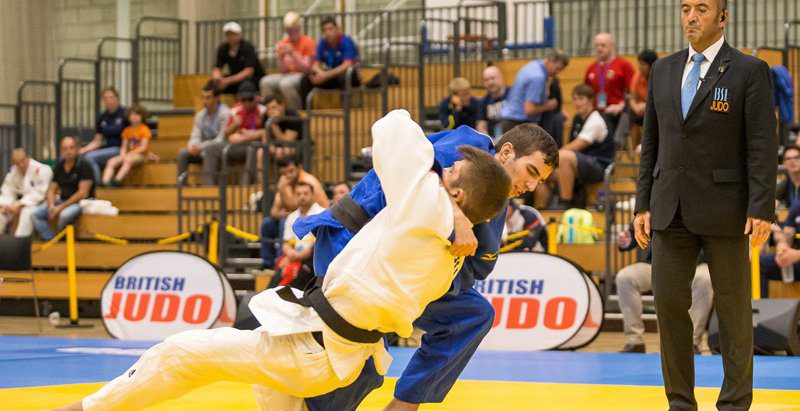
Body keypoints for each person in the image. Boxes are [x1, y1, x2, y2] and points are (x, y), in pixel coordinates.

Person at [52, 110, 511, 411]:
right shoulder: (451, 255)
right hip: (327, 346)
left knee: (179, 354)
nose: (439, 168)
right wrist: (458, 212)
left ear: (456, 194)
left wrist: (448, 206)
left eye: (448, 171)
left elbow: (393, 125)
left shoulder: (428, 207)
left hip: (313, 351)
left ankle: (85, 409)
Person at [296, 123, 558, 411]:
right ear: (506, 152)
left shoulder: (496, 202)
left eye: (540, 182)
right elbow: (418, 166)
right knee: (363, 363)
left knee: (473, 314)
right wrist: (456, 215)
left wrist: (439, 273)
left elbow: (478, 267)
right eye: (532, 172)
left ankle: (406, 403)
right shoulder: (474, 145)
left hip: (401, 270)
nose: (531, 186)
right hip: (351, 243)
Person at [634, 0, 777, 409]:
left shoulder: (749, 71)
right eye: (684, 9)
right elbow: (651, 146)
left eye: (701, 8)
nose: (691, 17)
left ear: (722, 17)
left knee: (733, 314)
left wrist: (762, 207)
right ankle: (679, 402)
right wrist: (642, 203)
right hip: (668, 209)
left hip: (728, 209)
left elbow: (762, 146)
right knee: (669, 308)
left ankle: (734, 404)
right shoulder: (662, 69)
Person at [615, 225, 713, 353]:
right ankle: (635, 341)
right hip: (660, 262)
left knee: (704, 279)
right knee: (625, 277)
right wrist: (627, 238)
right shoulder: (657, 204)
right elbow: (638, 229)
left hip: (697, 263)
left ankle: (692, 342)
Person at [551, 84, 614, 209]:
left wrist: (551, 156)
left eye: (580, 98)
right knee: (542, 171)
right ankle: (547, 205)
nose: (576, 103)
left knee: (563, 157)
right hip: (583, 163)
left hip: (600, 166)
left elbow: (576, 146)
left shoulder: (596, 120)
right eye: (574, 99)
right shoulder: (577, 119)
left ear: (590, 100)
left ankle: (565, 202)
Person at [260, 154, 328, 269]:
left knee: (284, 220)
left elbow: (309, 205)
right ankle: (268, 263)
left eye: (291, 171)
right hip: (294, 219)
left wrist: (289, 208)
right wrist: (282, 191)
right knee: (267, 223)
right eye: (285, 172)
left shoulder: (308, 182)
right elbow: (274, 212)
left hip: (312, 222)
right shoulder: (285, 182)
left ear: (299, 168)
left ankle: (282, 258)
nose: (288, 175)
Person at [31, 137, 94, 240]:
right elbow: (51, 189)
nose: (68, 151)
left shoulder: (85, 165)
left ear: (77, 149)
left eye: (71, 148)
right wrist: (51, 205)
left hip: (81, 202)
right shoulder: (60, 166)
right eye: (65, 148)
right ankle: (52, 241)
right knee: (35, 215)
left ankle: (63, 243)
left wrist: (60, 208)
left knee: (64, 215)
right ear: (61, 151)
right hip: (62, 200)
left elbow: (83, 193)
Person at [203, 81, 266, 183]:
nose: (247, 103)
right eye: (244, 100)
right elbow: (226, 133)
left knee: (253, 148)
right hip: (237, 145)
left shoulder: (263, 110)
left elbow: (265, 132)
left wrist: (246, 137)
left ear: (256, 96)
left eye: (250, 99)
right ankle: (208, 188)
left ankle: (245, 188)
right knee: (211, 148)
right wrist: (234, 126)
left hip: (253, 144)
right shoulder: (235, 110)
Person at [271, 182, 326, 289]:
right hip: (294, 256)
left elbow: (320, 242)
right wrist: (291, 254)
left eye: (306, 193)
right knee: (277, 277)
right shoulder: (291, 217)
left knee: (299, 280)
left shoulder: (322, 213)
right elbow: (286, 243)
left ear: (313, 195)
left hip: (314, 257)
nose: (302, 197)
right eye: (299, 194)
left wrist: (300, 256)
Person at [499, 50, 570, 133]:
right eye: (557, 68)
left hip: (511, 120)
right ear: (550, 60)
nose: (558, 72)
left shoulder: (533, 66)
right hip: (517, 123)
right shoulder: (538, 77)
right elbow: (530, 109)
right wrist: (549, 105)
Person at [299, 16, 361, 107]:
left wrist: (325, 75)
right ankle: (306, 111)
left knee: (344, 76)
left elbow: (347, 64)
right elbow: (315, 64)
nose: (328, 33)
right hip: (331, 76)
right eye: (324, 30)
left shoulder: (346, 41)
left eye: (330, 29)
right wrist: (319, 73)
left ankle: (346, 110)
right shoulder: (322, 43)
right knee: (306, 78)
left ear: (337, 29)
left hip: (349, 75)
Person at [260, 12, 316, 110]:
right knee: (265, 82)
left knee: (285, 84)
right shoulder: (282, 43)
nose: (291, 32)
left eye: (293, 29)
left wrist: (293, 53)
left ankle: (298, 112)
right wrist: (280, 58)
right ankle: (271, 112)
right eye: (288, 30)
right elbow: (283, 70)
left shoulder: (308, 42)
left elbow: (306, 68)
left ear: (298, 28)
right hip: (288, 74)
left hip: (302, 75)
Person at [583, 32, 635, 138]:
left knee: (608, 119)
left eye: (603, 45)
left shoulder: (623, 65)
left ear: (612, 46)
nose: (599, 49)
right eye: (597, 45)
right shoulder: (591, 68)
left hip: (616, 111)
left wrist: (621, 105)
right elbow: (586, 92)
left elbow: (633, 91)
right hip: (596, 112)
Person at [177, 81, 230, 185]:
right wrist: (192, 146)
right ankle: (181, 188)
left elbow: (221, 139)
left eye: (208, 98)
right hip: (203, 148)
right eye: (202, 97)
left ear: (217, 98)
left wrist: (200, 147)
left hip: (222, 148)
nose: (204, 101)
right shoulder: (200, 116)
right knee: (183, 153)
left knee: (211, 150)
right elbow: (195, 135)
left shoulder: (225, 113)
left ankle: (208, 189)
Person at [0, 148, 52, 237]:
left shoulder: (42, 169)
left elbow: (39, 193)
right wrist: (5, 205)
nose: (21, 165)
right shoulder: (13, 171)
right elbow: (7, 190)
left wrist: (20, 205)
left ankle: (19, 242)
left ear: (28, 158)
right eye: (17, 163)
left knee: (26, 212)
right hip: (19, 203)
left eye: (23, 161)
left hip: (39, 203)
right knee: (2, 212)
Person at [81, 87, 127, 181]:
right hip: (107, 148)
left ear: (117, 98)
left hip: (121, 148)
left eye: (111, 97)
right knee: (84, 157)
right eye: (106, 98)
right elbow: (97, 141)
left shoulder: (125, 114)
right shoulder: (102, 117)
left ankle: (97, 184)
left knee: (89, 157)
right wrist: (82, 150)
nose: (109, 100)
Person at [101, 104, 152, 186]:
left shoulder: (144, 129)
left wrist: (129, 154)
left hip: (141, 155)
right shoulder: (127, 130)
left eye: (137, 115)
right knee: (111, 161)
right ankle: (105, 181)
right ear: (128, 117)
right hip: (129, 154)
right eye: (132, 115)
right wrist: (122, 155)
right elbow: (124, 146)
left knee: (128, 160)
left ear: (142, 116)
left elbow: (143, 147)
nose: (134, 117)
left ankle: (117, 180)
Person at [212, 22, 265, 95]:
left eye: (233, 34)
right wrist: (217, 79)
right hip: (234, 78)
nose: (230, 37)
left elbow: (249, 71)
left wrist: (228, 80)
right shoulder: (223, 48)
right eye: (228, 34)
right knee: (212, 86)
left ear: (240, 34)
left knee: (245, 86)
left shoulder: (247, 47)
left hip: (253, 79)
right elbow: (217, 67)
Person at [759, 204, 800, 298]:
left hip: (796, 256)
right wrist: (782, 247)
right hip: (794, 260)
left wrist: (797, 255)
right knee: (761, 262)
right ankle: (762, 308)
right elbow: (786, 234)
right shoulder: (797, 207)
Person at [628, 50, 659, 149]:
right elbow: (632, 98)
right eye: (639, 64)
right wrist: (636, 107)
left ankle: (644, 144)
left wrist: (646, 106)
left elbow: (662, 100)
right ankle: (622, 145)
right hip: (641, 110)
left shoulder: (660, 76)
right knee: (628, 110)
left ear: (651, 65)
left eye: (643, 64)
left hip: (655, 109)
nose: (640, 67)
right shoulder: (638, 75)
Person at [262, 94, 304, 163]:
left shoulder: (292, 116)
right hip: (277, 147)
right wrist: (271, 148)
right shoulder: (266, 116)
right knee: (260, 152)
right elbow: (265, 137)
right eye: (268, 109)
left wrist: (273, 124)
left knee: (283, 152)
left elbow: (287, 142)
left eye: (274, 107)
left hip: (298, 146)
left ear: (282, 106)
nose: (271, 111)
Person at [476, 66, 508, 139]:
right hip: (494, 142)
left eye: (493, 78)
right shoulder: (483, 102)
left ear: (501, 78)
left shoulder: (513, 95)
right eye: (486, 80)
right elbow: (481, 125)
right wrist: (486, 138)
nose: (490, 82)